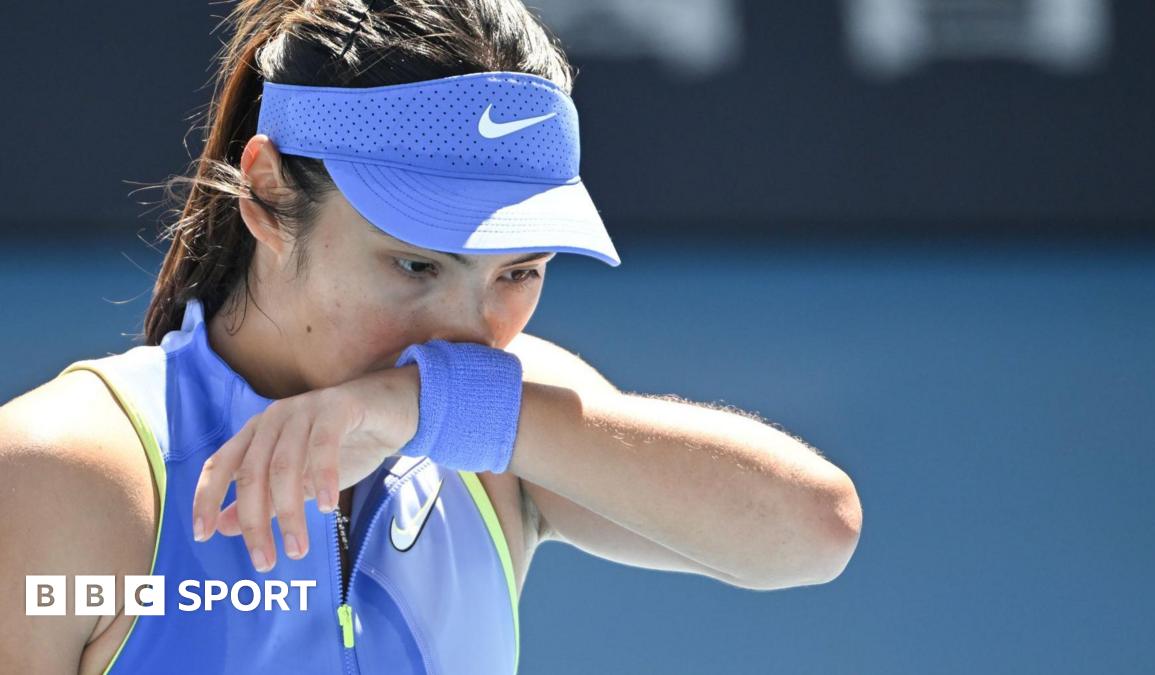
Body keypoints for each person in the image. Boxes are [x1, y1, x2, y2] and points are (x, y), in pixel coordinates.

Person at [0, 0, 862, 673]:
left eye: (519, 272)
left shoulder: (494, 420)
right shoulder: (62, 473)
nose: (469, 332)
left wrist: (448, 411)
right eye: (416, 264)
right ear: (266, 193)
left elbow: (816, 531)